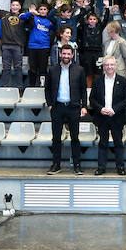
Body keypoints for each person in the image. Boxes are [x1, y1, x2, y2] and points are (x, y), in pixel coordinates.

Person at [44, 45, 86, 176]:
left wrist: (84, 106)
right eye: (64, 53)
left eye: (68, 54)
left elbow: (83, 90)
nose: (66, 56)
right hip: (57, 107)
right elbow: (47, 89)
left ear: (72, 55)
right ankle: (56, 164)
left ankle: (77, 165)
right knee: (56, 138)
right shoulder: (52, 70)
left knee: (75, 138)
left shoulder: (79, 70)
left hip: (73, 107)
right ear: (60, 54)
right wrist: (50, 104)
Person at [89, 55, 126, 175]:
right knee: (103, 142)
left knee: (118, 142)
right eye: (107, 65)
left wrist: (114, 109)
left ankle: (120, 167)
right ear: (103, 67)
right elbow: (92, 99)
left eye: (111, 64)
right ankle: (101, 167)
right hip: (102, 116)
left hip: (116, 116)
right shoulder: (97, 81)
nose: (109, 67)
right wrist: (100, 109)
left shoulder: (123, 81)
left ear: (115, 66)